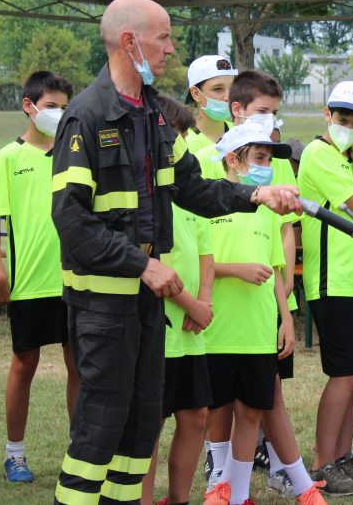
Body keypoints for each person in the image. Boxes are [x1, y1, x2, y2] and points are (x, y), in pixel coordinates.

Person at [50, 0, 300, 505]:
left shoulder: (156, 117)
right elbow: (71, 220)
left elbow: (197, 188)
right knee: (100, 429)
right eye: (163, 37)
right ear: (130, 41)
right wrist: (144, 265)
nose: (171, 48)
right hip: (102, 305)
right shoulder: (87, 117)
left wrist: (256, 194)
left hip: (145, 307)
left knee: (141, 425)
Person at [198, 123, 326, 505]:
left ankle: (236, 495)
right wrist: (233, 269)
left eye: (269, 159)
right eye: (259, 158)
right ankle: (216, 488)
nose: (266, 166)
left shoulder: (268, 211)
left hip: (257, 329)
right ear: (232, 160)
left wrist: (286, 318)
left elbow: (274, 273)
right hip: (217, 326)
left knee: (252, 411)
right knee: (218, 409)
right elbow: (198, 263)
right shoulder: (208, 204)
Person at [0, 70, 79, 484]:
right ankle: (14, 454)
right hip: (29, 285)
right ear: (29, 106)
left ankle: (80, 453)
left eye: (64, 107)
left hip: (75, 280)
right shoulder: (8, 157)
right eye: (51, 106)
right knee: (25, 363)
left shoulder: (76, 153)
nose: (58, 114)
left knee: (81, 367)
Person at [297, 81, 353, 496]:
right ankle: (321, 463)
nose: (348, 126)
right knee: (343, 376)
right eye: (342, 118)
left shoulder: (345, 153)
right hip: (334, 283)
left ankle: (342, 458)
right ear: (327, 115)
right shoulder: (319, 153)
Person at [140, 95, 215, 505]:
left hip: (192, 328)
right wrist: (191, 305)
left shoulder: (188, 187)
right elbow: (153, 267)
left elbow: (206, 249)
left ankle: (180, 499)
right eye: (177, 136)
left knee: (196, 416)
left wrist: (203, 299)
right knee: (150, 423)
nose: (183, 145)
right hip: (160, 326)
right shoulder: (145, 193)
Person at [184, 54, 238, 154]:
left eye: (232, 88)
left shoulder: (242, 135)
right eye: (218, 89)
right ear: (196, 93)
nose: (228, 96)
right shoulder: (183, 143)